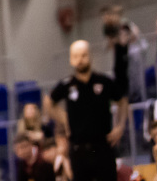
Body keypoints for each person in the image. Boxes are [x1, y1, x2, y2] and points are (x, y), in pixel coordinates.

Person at [46, 39, 129, 181]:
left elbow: (122, 101)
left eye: (83, 55)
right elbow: (48, 102)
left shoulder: (103, 81)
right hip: (79, 149)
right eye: (76, 56)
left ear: (90, 56)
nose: (80, 60)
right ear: (71, 59)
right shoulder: (67, 85)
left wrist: (120, 126)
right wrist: (64, 118)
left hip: (103, 146)